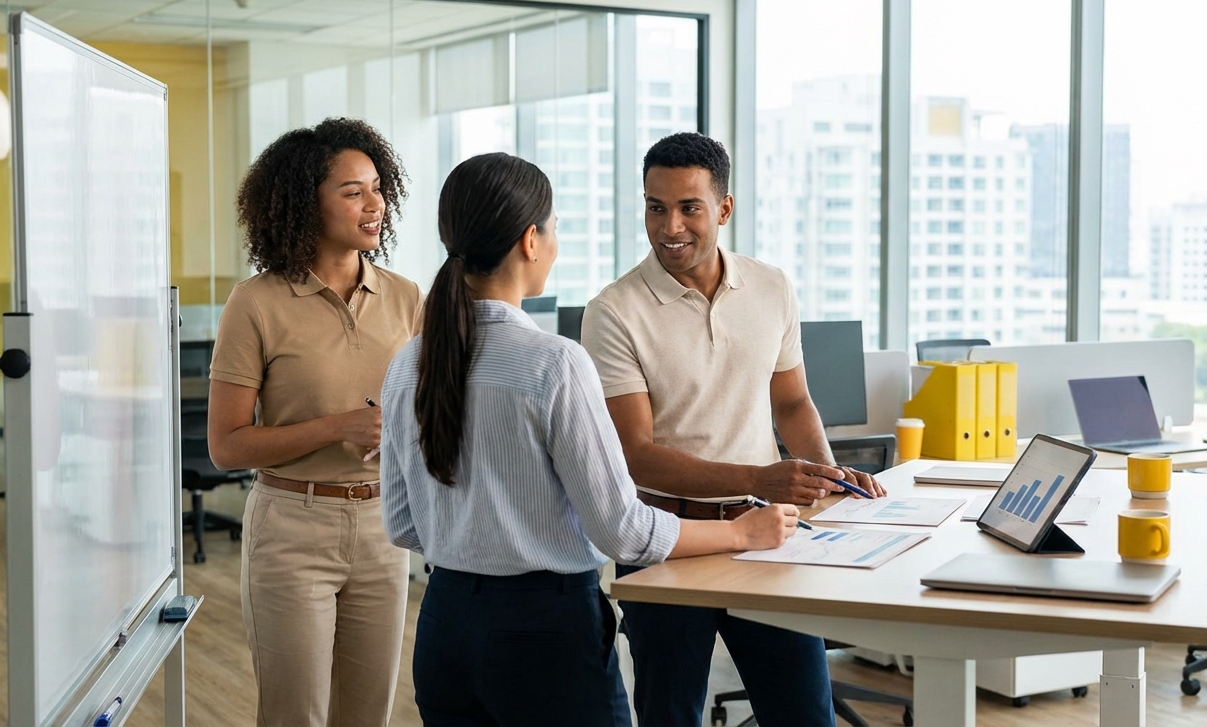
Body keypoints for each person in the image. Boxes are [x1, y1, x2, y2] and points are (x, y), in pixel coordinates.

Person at [378, 152, 799, 727]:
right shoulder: (554, 363)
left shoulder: (409, 363)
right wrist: (739, 530)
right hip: (544, 633)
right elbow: (621, 528)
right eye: (553, 230)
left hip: (445, 625)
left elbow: (403, 524)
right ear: (531, 240)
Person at [581, 132, 889, 727]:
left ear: (723, 209)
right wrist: (765, 477)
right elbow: (637, 456)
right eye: (655, 207)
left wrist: (822, 473)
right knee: (670, 715)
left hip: (770, 538)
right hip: (666, 542)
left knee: (805, 714)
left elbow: (793, 402)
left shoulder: (770, 286)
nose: (670, 225)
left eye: (689, 207)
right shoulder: (614, 310)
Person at [207, 118, 423, 727]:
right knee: (294, 713)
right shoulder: (256, 302)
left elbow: (432, 409)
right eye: (353, 192)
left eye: (378, 188)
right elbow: (226, 445)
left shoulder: (407, 297)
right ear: (306, 203)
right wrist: (338, 427)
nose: (374, 204)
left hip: (384, 528)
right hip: (292, 530)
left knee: (367, 713)